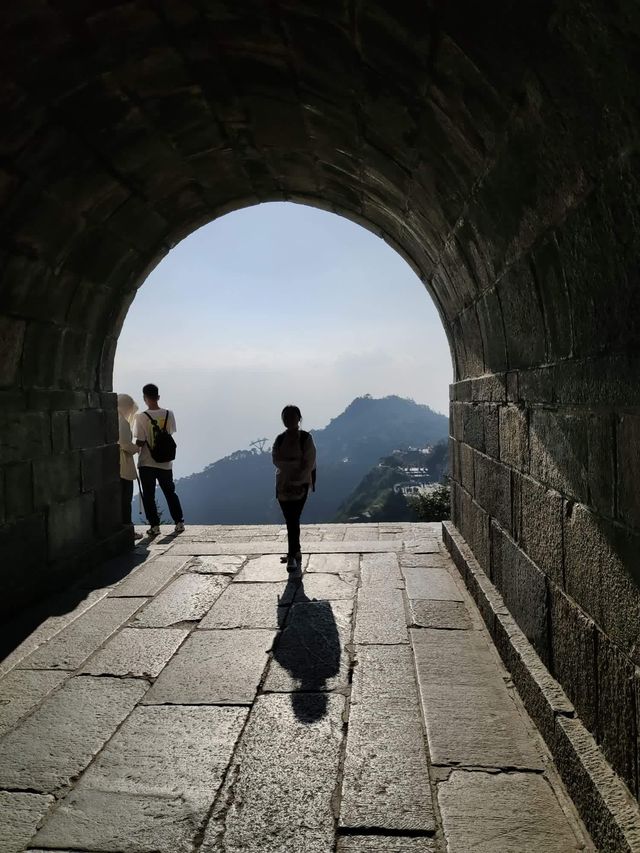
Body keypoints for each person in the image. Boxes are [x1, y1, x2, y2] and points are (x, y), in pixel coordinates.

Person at [133, 383, 185, 537]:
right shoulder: (169, 414)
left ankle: (155, 526)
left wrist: (130, 449)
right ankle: (179, 522)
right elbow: (170, 433)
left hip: (147, 462)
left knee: (149, 495)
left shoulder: (141, 417)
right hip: (166, 462)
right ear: (158, 397)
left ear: (145, 398)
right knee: (170, 492)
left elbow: (140, 441)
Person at [272, 405, 316, 572]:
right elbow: (275, 459)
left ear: (299, 418)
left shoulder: (306, 438)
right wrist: (294, 463)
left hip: (300, 485)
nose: (289, 419)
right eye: (286, 416)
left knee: (292, 518)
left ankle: (292, 556)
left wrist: (293, 471)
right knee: (291, 519)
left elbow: (309, 461)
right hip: (283, 486)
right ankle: (296, 552)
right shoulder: (280, 439)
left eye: (292, 416)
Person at [117, 393, 142, 539]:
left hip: (116, 463)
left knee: (121, 499)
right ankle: (128, 530)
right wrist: (137, 448)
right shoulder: (123, 422)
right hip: (124, 464)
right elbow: (125, 444)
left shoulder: (112, 418)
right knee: (125, 499)